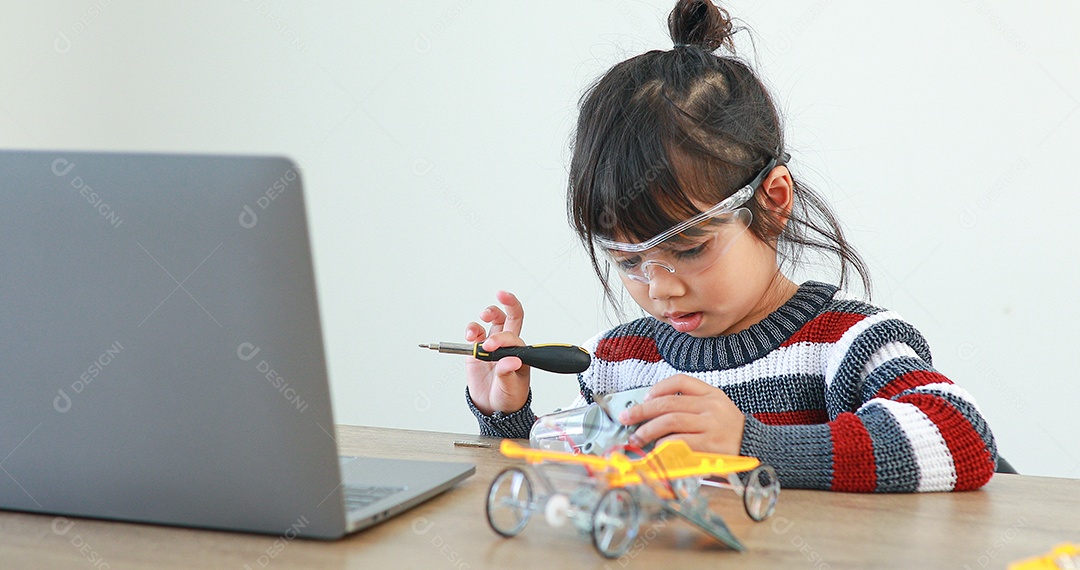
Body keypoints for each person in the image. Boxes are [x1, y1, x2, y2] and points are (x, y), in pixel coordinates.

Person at [463, 0, 996, 492]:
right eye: (628, 262)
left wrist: (752, 445)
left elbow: (962, 440)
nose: (660, 288)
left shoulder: (848, 345)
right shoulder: (618, 361)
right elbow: (586, 466)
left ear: (772, 201)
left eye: (690, 249)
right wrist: (508, 416)